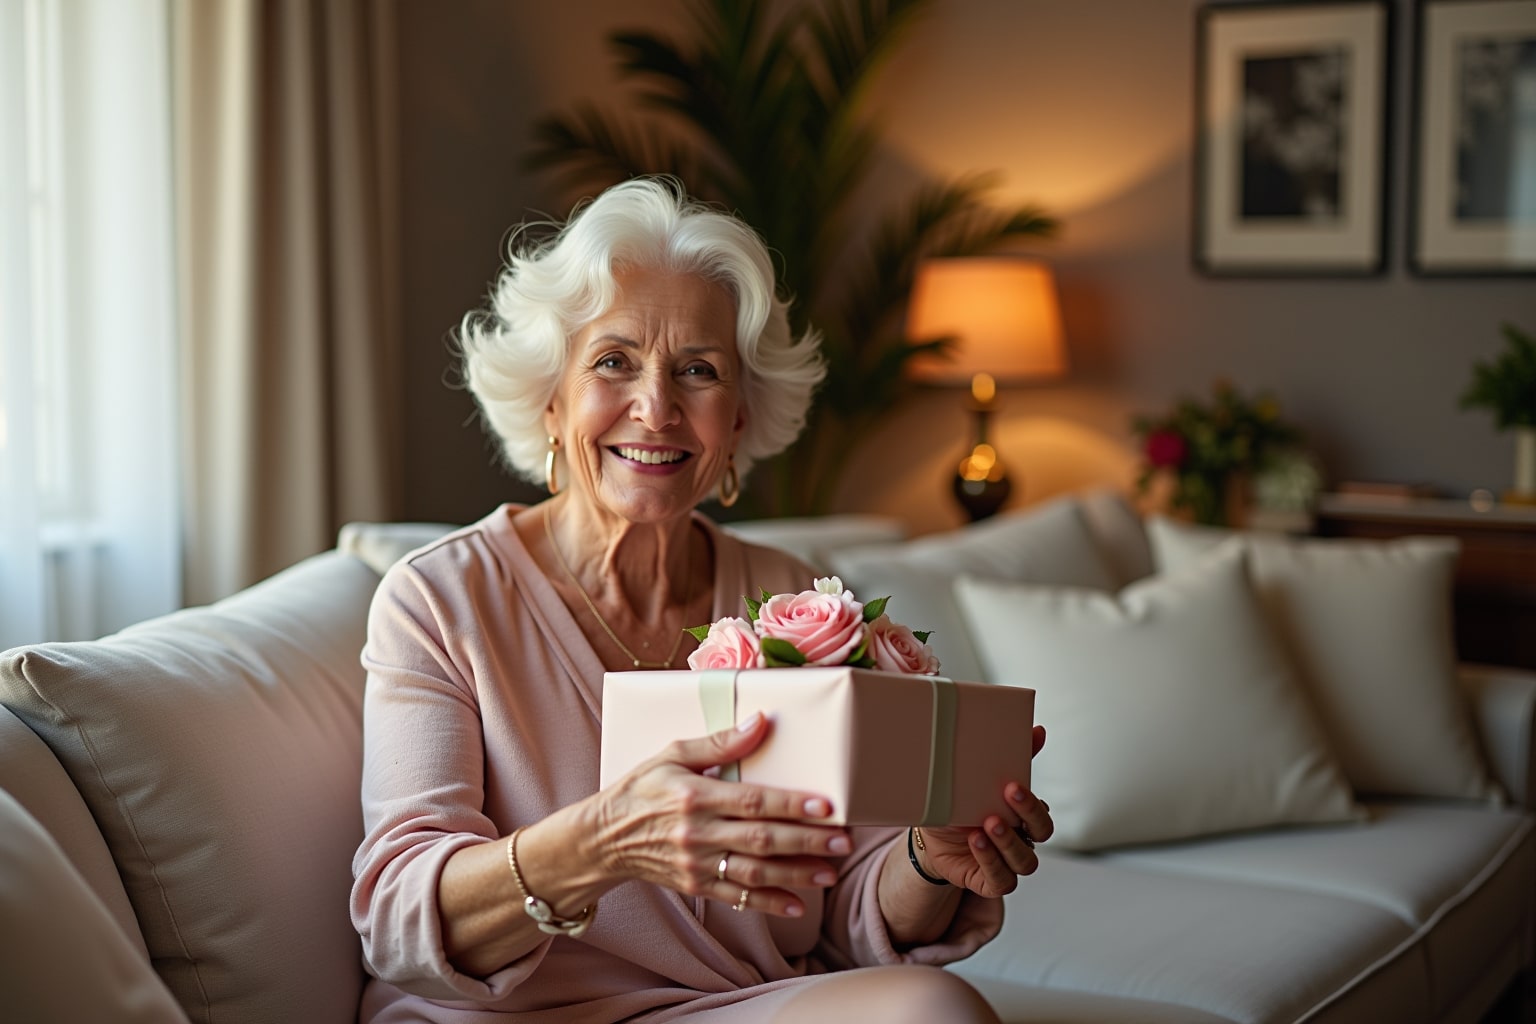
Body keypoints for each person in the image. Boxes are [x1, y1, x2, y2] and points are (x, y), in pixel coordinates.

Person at [350, 178, 1054, 1023]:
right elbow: (396, 922)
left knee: (935, 1008)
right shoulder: (441, 599)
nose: (656, 407)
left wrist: (931, 857)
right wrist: (606, 839)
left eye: (699, 370)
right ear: (550, 397)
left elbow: (847, 923)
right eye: (613, 361)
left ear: (740, 420)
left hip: (740, 1007)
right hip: (515, 1017)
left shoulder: (797, 601)